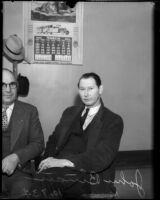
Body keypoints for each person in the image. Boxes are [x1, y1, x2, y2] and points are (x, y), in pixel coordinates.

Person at [25, 72, 124, 199]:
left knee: (43, 180)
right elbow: (53, 141)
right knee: (41, 180)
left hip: (87, 174)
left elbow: (102, 156)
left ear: (100, 89)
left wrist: (64, 162)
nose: (86, 94)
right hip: (58, 171)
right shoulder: (69, 112)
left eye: (91, 89)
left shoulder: (113, 120)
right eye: (82, 89)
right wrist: (47, 161)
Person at [2, 68, 45, 198]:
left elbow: (38, 143)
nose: (8, 90)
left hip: (19, 173)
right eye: (3, 85)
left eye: (12, 85)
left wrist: (16, 157)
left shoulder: (29, 111)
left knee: (24, 191)